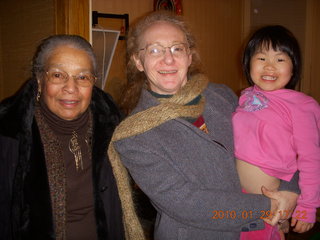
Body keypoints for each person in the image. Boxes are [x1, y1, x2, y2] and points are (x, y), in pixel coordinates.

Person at [107, 11, 300, 240]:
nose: (168, 59)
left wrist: (290, 190)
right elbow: (188, 204)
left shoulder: (223, 96)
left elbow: (278, 141)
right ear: (138, 62)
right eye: (154, 50)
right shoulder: (134, 136)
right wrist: (269, 206)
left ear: (189, 56)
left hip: (259, 229)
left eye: (177, 48)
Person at [0, 35, 144, 240]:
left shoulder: (114, 127)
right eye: (58, 75)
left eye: (83, 77)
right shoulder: (9, 135)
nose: (71, 87)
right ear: (40, 80)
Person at [233, 25, 320, 240]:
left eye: (280, 60)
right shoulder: (244, 97)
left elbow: (311, 159)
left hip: (269, 203)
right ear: (248, 63)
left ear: (293, 68)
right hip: (238, 199)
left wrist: (307, 206)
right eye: (261, 58)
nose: (269, 66)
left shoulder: (302, 105)